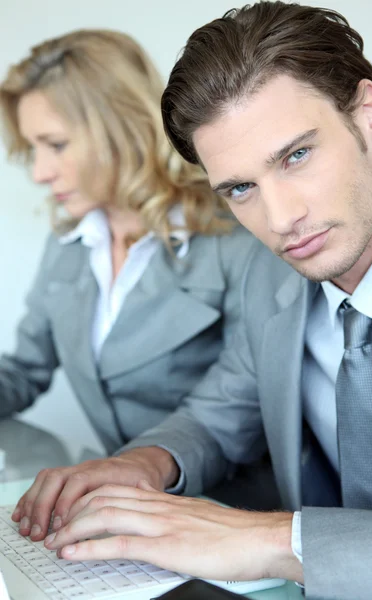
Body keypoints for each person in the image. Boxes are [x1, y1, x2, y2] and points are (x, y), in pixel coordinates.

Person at [15, 3, 372, 598]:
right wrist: (142, 463)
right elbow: (221, 412)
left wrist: (272, 540)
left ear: (368, 113)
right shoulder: (272, 279)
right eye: (241, 188)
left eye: (296, 155)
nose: (280, 220)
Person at [0, 30, 261, 537]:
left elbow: (237, 407)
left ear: (117, 126)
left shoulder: (235, 237)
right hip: (120, 516)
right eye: (32, 149)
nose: (40, 172)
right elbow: (26, 369)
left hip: (229, 519)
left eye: (54, 145)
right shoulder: (71, 244)